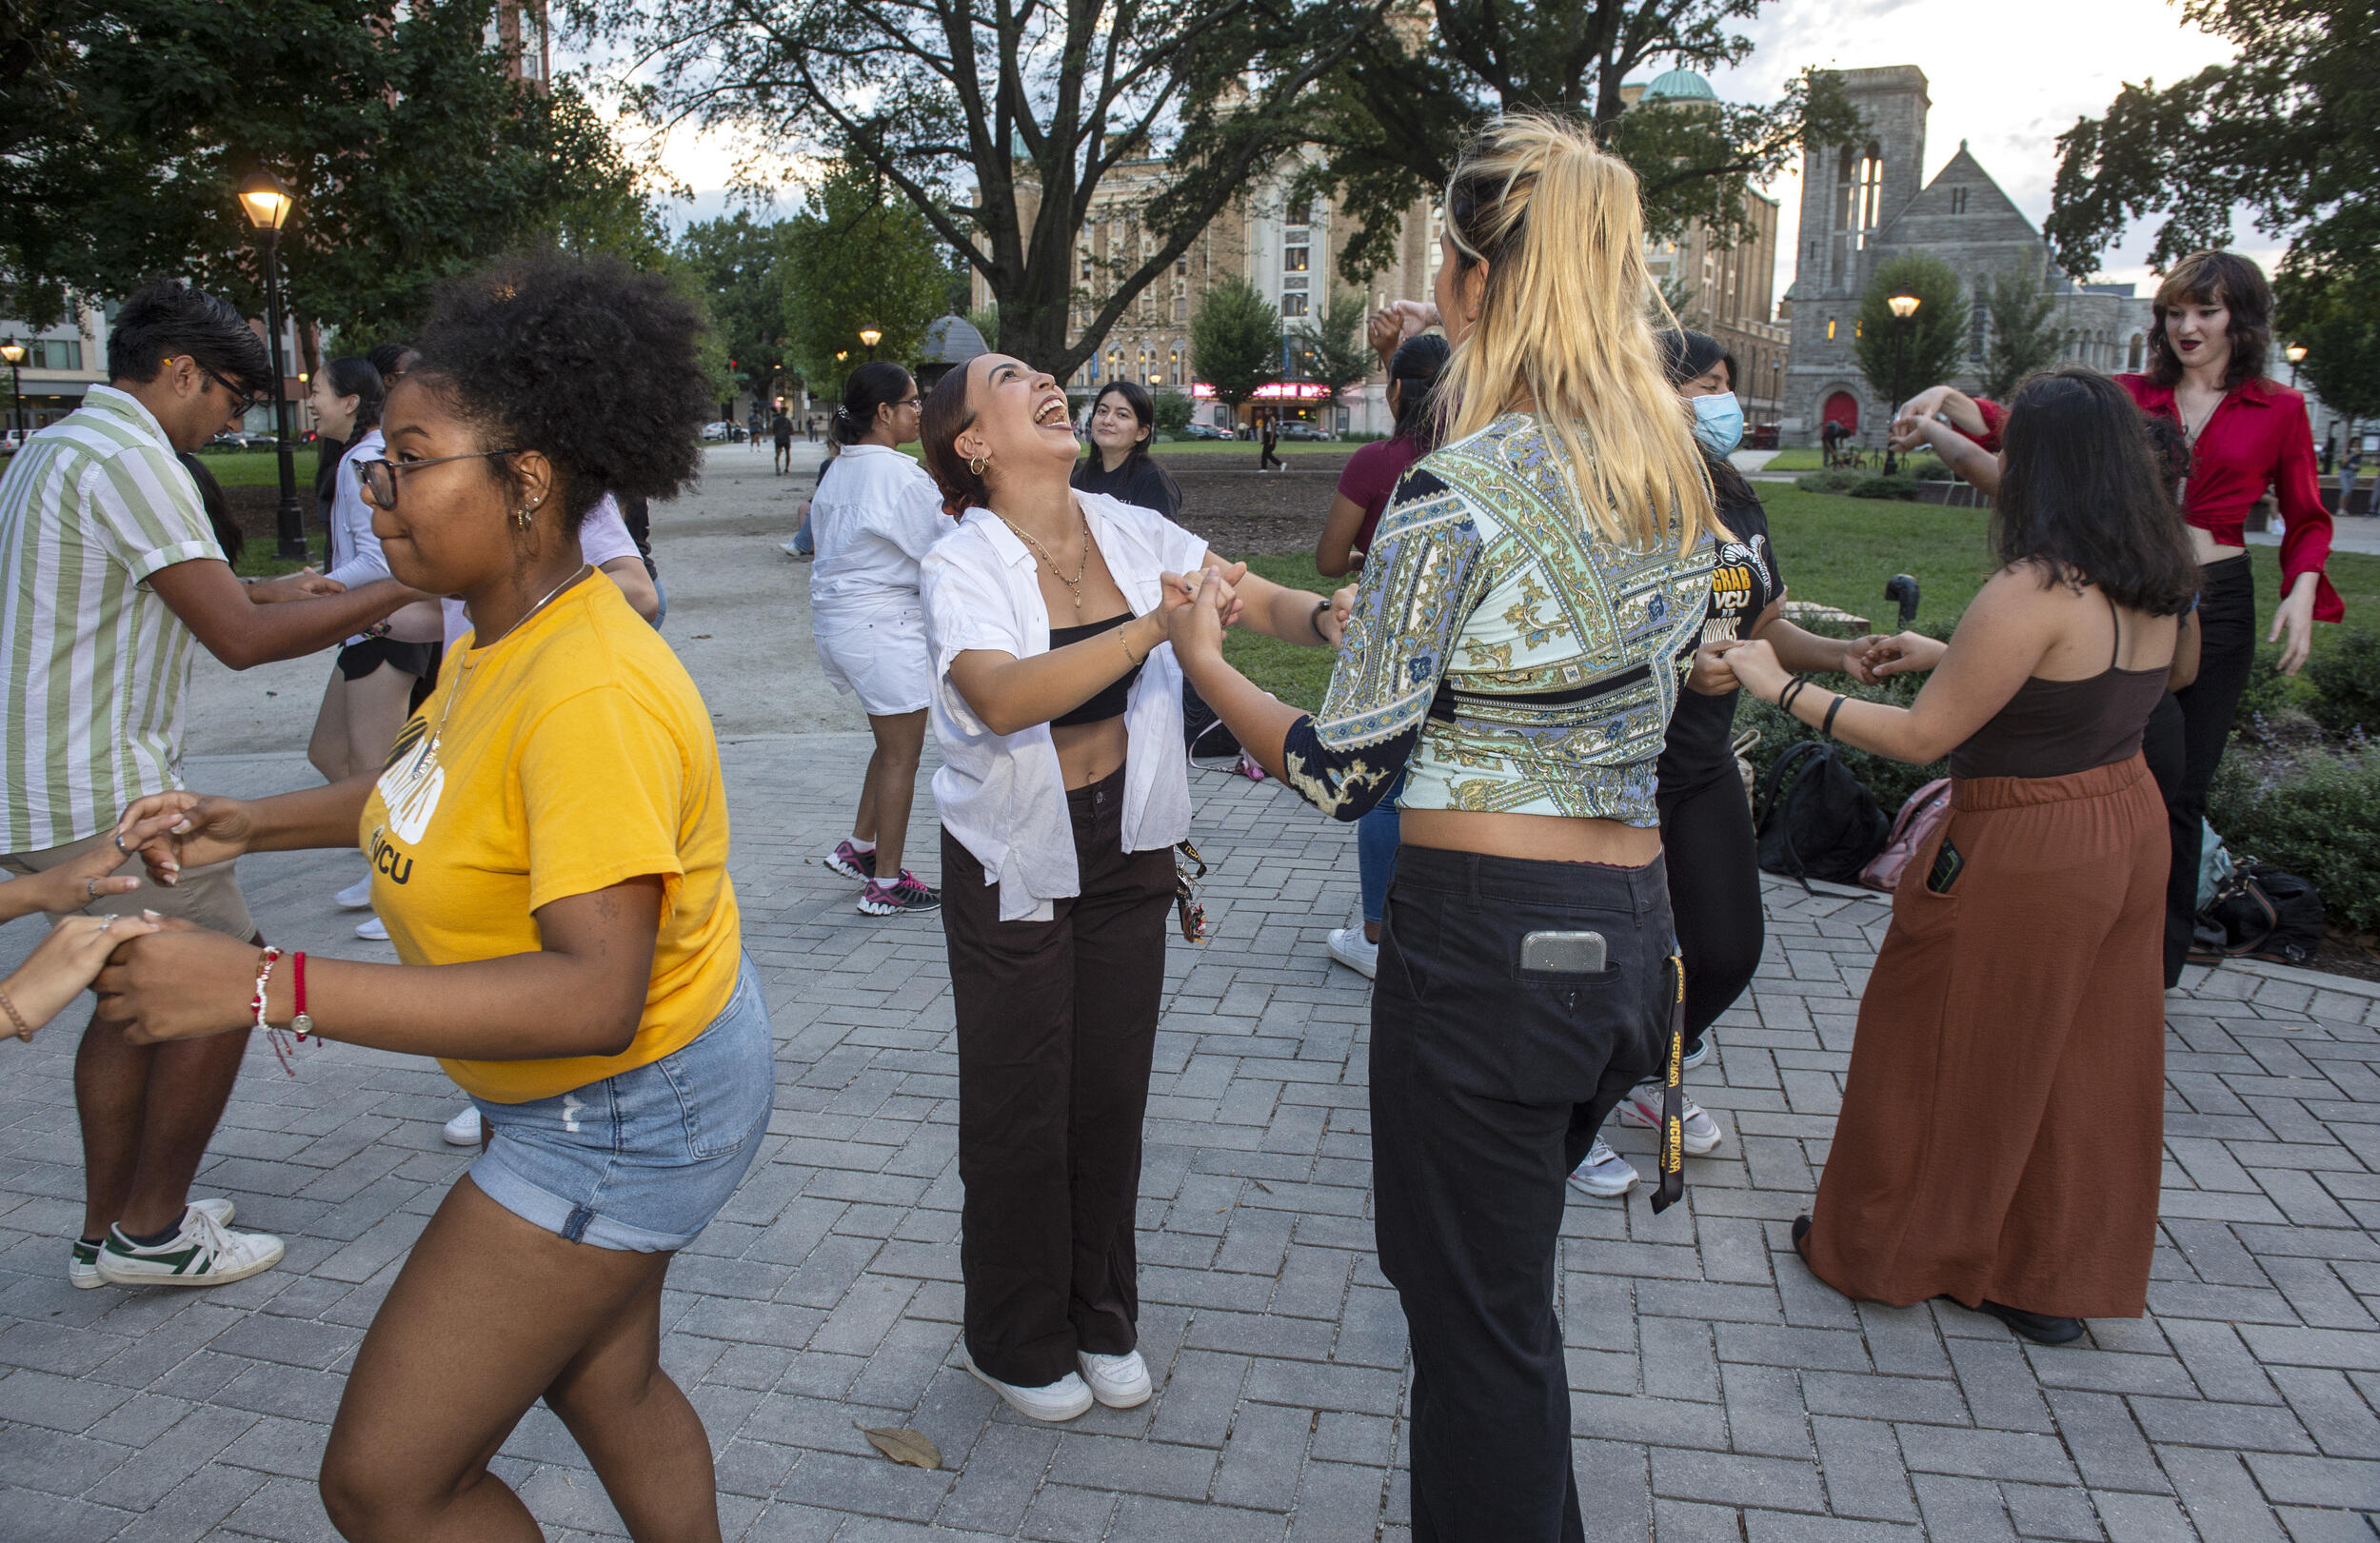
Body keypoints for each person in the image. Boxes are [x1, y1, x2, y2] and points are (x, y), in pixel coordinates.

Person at [100, 252, 767, 1543]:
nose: (377, 488)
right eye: (380, 460)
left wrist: (259, 985)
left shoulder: (590, 691)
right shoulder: (497, 629)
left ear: (524, 484)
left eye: (409, 458)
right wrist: (249, 816)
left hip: (622, 1108)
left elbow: (592, 989)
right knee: (606, 1380)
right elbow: (429, 789)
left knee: (389, 1482)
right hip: (617, 1088)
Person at [1160, 115, 1715, 1539]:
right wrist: (1303, 616)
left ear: (1468, 282)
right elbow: (1567, 665)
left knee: (1477, 1335)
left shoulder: (1453, 491)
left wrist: (1206, 664)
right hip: (1632, 949)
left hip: (1484, 956)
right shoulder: (1669, 478)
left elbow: (1350, 771)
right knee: (1505, 1312)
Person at [1727, 366, 2196, 1347]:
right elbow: (2145, 679)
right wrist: (1955, 655)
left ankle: (1881, 1247)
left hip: (2023, 843)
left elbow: (1916, 741)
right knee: (2081, 1053)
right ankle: (2044, 1275)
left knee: (1934, 1038)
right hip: (2125, 823)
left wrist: (1776, 685)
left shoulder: (2032, 586)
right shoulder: (2159, 573)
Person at [916, 351, 1341, 1423]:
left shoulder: (1127, 529)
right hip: (1015, 857)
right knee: (1021, 1102)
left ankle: (1101, 1314)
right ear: (973, 441)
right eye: (1012, 379)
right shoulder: (960, 560)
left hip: (1128, 846)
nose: (1047, 381)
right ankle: (1012, 1339)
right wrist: (1155, 627)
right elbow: (1005, 695)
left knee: (1107, 1095)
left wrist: (1328, 620)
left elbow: (1247, 597)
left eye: (1045, 372)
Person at [0, 279, 427, 1292]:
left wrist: (279, 586)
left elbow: (154, 587)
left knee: (124, 995)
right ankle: (151, 1232)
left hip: (35, 772)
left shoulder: (62, 446)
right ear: (182, 371)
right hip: (102, 788)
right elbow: (234, 641)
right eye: (232, 396)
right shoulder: (137, 458)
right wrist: (409, 584)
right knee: (229, 981)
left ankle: (112, 1228)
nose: (237, 415)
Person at [1900, 250, 2335, 988]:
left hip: (2218, 594)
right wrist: (1949, 397)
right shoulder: (2128, 393)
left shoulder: (2280, 408)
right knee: (2117, 767)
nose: (2187, 326)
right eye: (2174, 312)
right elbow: (2024, 429)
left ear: (2242, 319)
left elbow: (2307, 515)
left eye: (2206, 311)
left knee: (2184, 786)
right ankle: (2089, 933)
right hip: (2125, 586)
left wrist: (2303, 589)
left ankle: (2153, 965)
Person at [1570, 328, 1884, 1200]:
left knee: (1728, 947)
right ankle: (1571, 1114)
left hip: (1699, 765)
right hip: (1610, 767)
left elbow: (1760, 626)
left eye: (1722, 386)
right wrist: (1679, 666)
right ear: (1647, 389)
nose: (1719, 403)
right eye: (1701, 385)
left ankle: (1630, 1080)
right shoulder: (1608, 491)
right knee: (1610, 959)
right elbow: (1582, 638)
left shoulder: (1736, 497)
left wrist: (1836, 655)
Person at [1312, 331, 1449, 979]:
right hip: (1458, 634)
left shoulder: (1373, 463)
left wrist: (1373, 557)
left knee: (1385, 786)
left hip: (1384, 636)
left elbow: (1328, 560)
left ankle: (1374, 932)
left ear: (1394, 390)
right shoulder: (1475, 456)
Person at [307, 358, 442, 923]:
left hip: (385, 625)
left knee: (372, 766)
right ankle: (392, 856)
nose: (310, 401)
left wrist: (321, 590)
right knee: (329, 752)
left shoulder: (364, 462)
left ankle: (410, 881)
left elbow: (375, 560)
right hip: (368, 624)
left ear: (351, 401)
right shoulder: (354, 460)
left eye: (317, 392)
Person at [808, 363, 943, 915]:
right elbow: (943, 549)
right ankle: (887, 881)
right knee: (902, 757)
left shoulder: (838, 470)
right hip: (882, 626)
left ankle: (862, 847)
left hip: (842, 625)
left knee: (890, 746)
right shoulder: (899, 476)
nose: (920, 411)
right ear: (884, 413)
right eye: (913, 402)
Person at [1070, 381, 1183, 518]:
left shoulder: (1153, 481)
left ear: (1141, 433)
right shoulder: (1080, 480)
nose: (1107, 420)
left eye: (1122, 415)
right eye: (1102, 411)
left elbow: (1164, 537)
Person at [772, 405, 795, 474]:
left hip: (778, 439)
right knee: (787, 454)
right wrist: (788, 433)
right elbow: (792, 431)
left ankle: (777, 465)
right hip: (786, 439)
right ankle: (786, 468)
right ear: (786, 413)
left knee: (778, 454)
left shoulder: (776, 421)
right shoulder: (788, 421)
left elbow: (773, 431)